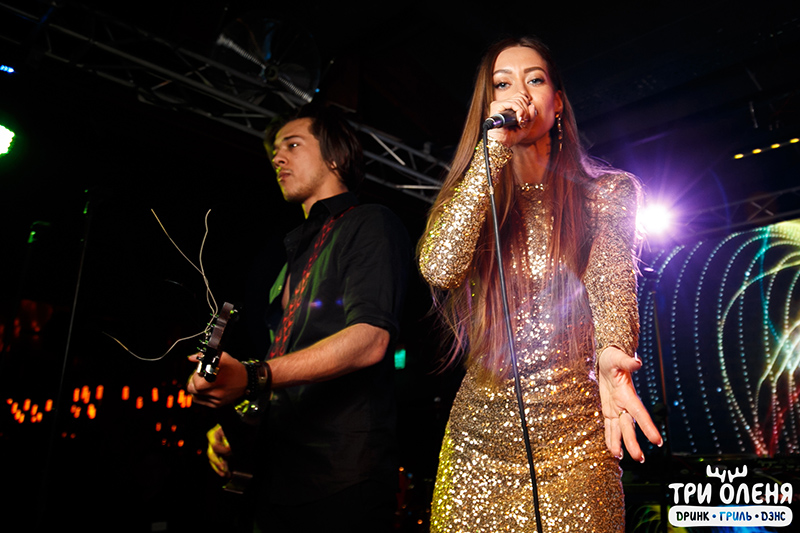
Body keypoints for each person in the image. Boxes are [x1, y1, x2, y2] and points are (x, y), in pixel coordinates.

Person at [418, 36, 663, 532]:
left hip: (576, 448)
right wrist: (492, 153)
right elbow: (440, 268)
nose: (520, 94)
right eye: (502, 84)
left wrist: (614, 349)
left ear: (558, 102)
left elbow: (611, 278)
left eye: (535, 79)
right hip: (477, 449)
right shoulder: (477, 197)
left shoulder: (606, 194)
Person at [187, 104, 410, 533]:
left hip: (342, 477)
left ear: (335, 157)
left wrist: (251, 376)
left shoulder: (370, 223)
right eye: (274, 151)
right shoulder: (290, 260)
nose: (278, 158)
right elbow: (285, 368)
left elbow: (370, 339)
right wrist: (238, 423)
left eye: (292, 145)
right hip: (276, 477)